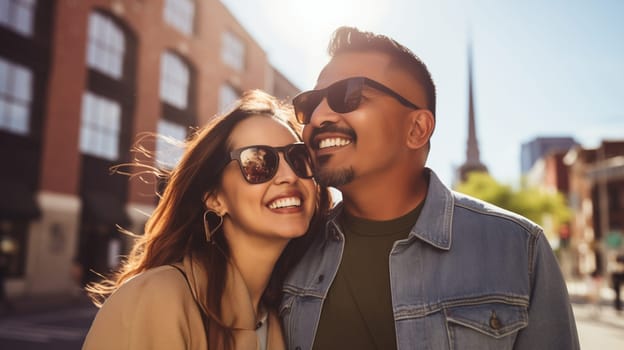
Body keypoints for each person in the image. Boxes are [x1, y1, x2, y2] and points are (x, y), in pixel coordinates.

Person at [281, 26, 580, 350]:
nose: (318, 116)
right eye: (310, 104)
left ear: (417, 128)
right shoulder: (291, 251)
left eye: (349, 94)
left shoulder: (521, 249)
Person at [82, 90, 331, 350]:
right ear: (214, 198)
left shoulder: (284, 317)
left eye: (298, 158)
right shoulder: (159, 297)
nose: (289, 176)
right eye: (258, 163)